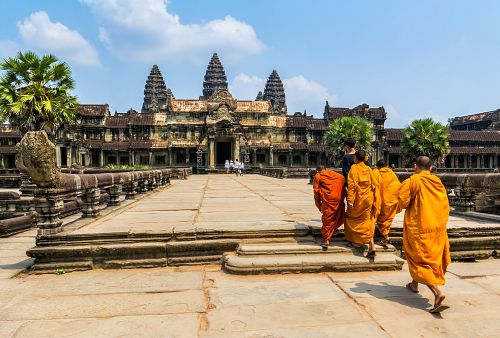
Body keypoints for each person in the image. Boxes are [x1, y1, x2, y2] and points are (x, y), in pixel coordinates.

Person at [398, 156, 451, 313]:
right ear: (430, 168)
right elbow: (444, 205)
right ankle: (414, 284)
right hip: (437, 228)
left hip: (419, 227)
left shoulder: (413, 181)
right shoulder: (437, 182)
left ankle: (437, 292)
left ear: (415, 167)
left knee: (419, 260)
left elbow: (402, 202)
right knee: (422, 258)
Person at [344, 150, 381, 257]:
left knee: (353, 219)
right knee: (367, 221)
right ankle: (371, 245)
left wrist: (350, 200)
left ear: (355, 158)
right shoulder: (369, 169)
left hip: (358, 200)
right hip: (368, 198)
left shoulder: (354, 169)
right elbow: (375, 184)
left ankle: (358, 241)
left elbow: (352, 186)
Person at [313, 165, 345, 249]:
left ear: (318, 171)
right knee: (336, 217)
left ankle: (326, 240)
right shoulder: (335, 174)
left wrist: (318, 204)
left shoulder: (318, 175)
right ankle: (332, 231)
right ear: (325, 169)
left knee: (327, 220)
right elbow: (342, 178)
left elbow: (316, 191)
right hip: (338, 200)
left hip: (327, 201)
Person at [373, 159, 401, 246]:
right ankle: (385, 236)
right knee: (387, 219)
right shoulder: (392, 174)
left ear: (378, 166)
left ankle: (385, 237)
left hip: (381, 202)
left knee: (380, 219)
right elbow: (398, 186)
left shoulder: (376, 173)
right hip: (391, 201)